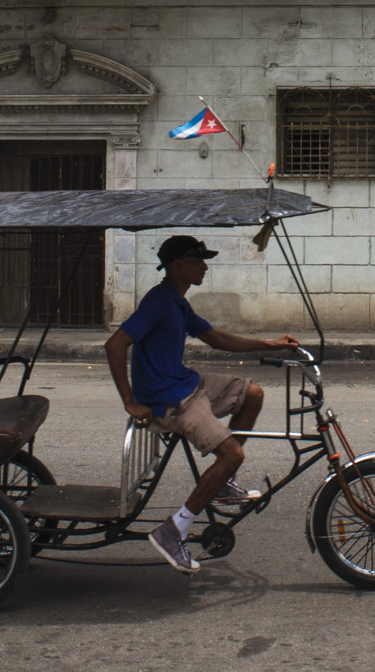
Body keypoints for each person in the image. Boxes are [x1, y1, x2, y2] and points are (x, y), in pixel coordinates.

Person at [104, 234, 299, 575]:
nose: (205, 267)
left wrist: (272, 344)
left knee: (252, 394)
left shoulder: (178, 302)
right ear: (178, 266)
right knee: (233, 455)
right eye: (198, 261)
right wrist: (130, 401)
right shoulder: (159, 302)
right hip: (170, 399)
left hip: (186, 383)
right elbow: (115, 344)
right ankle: (174, 529)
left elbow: (218, 339)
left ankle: (221, 482)